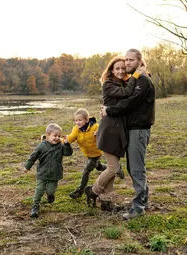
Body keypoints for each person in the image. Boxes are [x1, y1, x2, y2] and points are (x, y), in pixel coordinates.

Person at [100, 48, 155, 219]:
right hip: (134, 129)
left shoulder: (143, 80)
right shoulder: (136, 79)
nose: (127, 63)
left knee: (136, 168)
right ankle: (143, 201)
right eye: (126, 60)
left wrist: (110, 110)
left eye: (131, 60)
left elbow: (129, 102)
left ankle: (138, 207)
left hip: (138, 129)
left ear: (140, 61)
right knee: (135, 166)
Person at [84, 57, 140, 212]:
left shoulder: (123, 83)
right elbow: (128, 93)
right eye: (117, 69)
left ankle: (106, 201)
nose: (121, 71)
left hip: (118, 131)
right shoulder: (109, 84)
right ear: (111, 70)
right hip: (109, 131)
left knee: (112, 168)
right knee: (114, 168)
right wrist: (135, 76)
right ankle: (93, 191)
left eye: (123, 68)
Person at [66, 108, 125, 199]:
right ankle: (116, 167)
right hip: (88, 154)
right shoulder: (76, 129)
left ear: (86, 120)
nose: (78, 122)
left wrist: (98, 132)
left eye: (80, 120)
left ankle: (80, 190)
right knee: (99, 167)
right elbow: (71, 138)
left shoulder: (94, 127)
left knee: (86, 170)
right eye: (76, 120)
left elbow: (104, 130)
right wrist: (63, 140)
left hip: (96, 153)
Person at [24, 123, 73, 218]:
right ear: (47, 135)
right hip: (42, 173)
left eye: (59, 136)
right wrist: (27, 166)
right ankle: (35, 206)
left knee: (51, 190)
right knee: (39, 189)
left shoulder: (61, 146)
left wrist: (67, 144)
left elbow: (68, 153)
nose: (57, 138)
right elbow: (33, 156)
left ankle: (50, 194)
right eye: (55, 136)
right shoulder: (41, 146)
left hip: (55, 174)